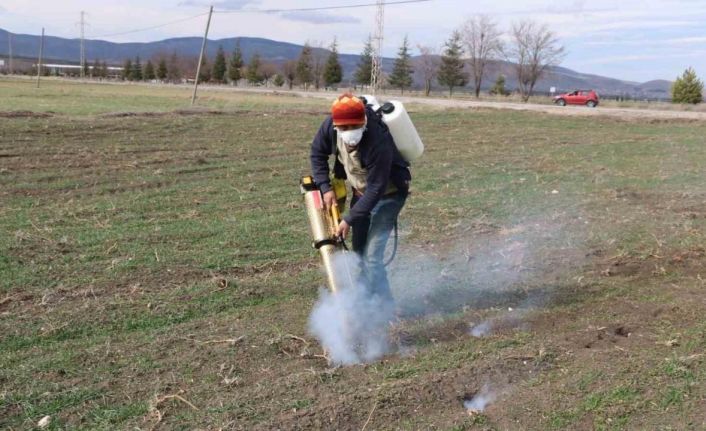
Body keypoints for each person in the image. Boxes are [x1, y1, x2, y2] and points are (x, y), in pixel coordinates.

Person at [310, 93, 411, 302]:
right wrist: (325, 188)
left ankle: (385, 307)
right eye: (343, 128)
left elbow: (376, 187)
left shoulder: (378, 139)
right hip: (361, 193)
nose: (348, 133)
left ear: (363, 121)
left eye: (353, 127)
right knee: (358, 253)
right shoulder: (330, 125)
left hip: (389, 195)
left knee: (372, 257)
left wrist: (348, 219)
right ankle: (365, 302)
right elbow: (317, 153)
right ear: (336, 125)